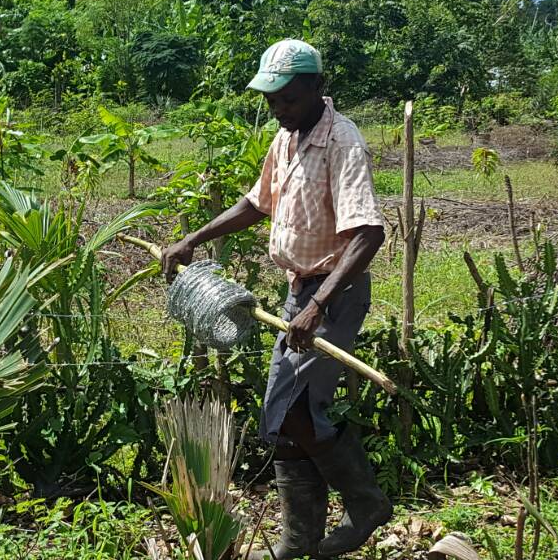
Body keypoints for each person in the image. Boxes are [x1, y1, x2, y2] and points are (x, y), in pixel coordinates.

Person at [161, 39, 393, 559]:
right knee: (280, 415)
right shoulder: (286, 139)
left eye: (288, 98)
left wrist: (318, 305)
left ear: (316, 87)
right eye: (272, 100)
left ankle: (366, 503)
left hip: (334, 294)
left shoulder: (342, 141)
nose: (279, 109)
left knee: (295, 410)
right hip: (299, 292)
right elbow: (256, 202)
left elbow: (368, 234)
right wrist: (193, 238)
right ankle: (300, 539)